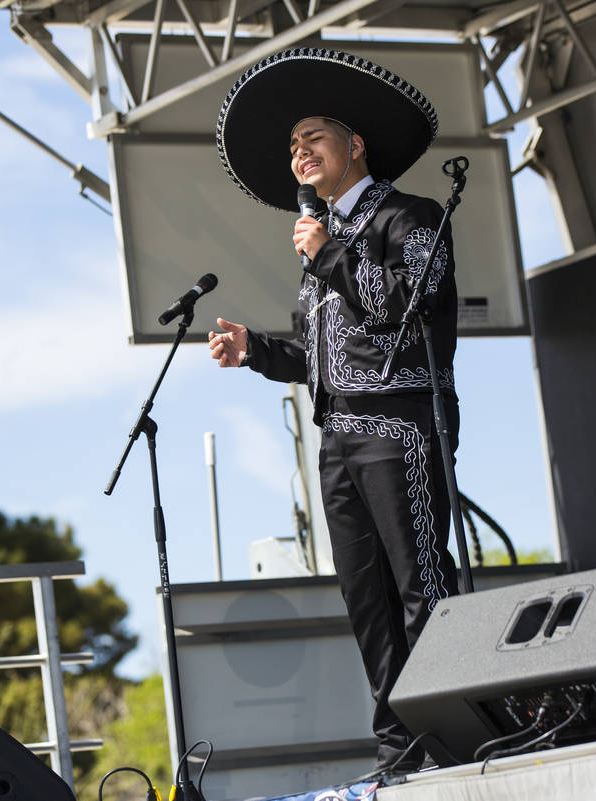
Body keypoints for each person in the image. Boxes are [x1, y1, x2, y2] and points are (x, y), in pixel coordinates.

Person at [209, 48, 460, 773]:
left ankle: (448, 731)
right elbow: (320, 359)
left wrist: (325, 255)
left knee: (422, 587)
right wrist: (255, 348)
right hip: (339, 443)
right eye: (291, 146)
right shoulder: (321, 247)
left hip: (401, 430)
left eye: (311, 137)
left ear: (355, 146)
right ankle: (398, 744)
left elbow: (395, 309)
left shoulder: (411, 217)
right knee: (366, 603)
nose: (298, 153)